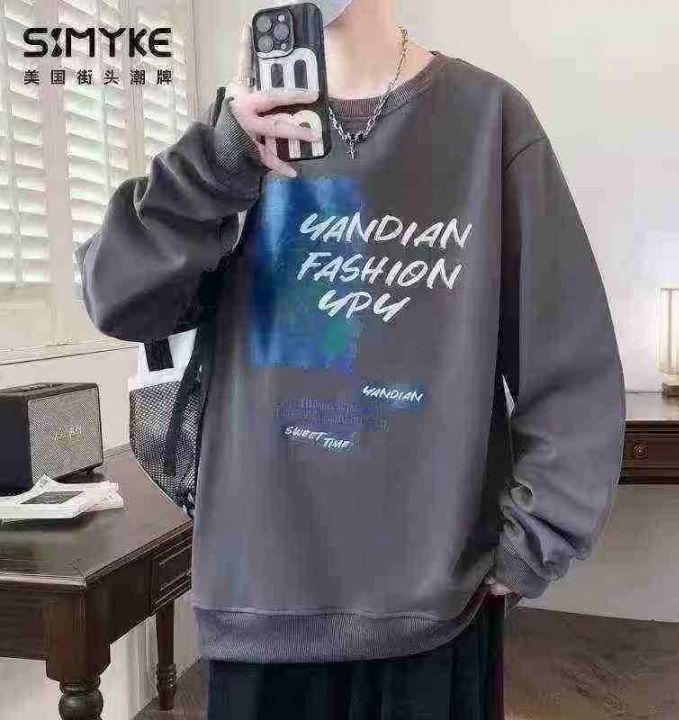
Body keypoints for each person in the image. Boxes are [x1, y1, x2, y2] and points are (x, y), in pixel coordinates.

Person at [76, 0, 627, 717]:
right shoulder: (239, 136)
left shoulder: (489, 122)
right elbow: (116, 296)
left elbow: (571, 362)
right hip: (260, 606)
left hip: (435, 610)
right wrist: (218, 163)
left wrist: (534, 540)